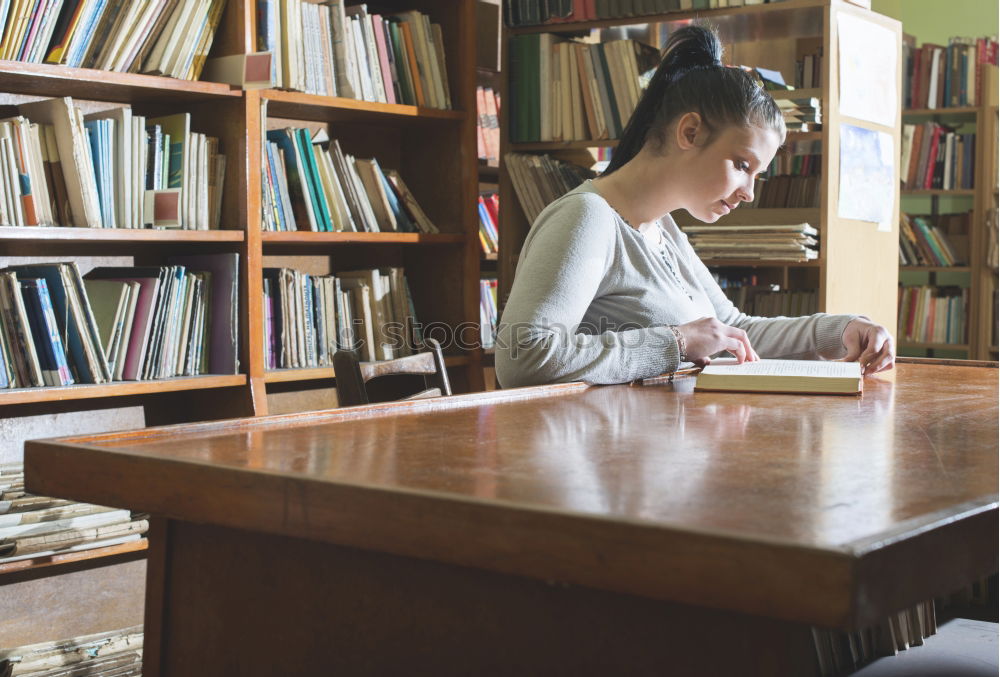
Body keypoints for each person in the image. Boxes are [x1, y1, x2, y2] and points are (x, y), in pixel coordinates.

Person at [495, 25, 894, 388]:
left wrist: (840, 330)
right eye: (742, 165)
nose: (749, 193)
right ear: (690, 132)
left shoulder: (662, 227)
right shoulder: (587, 219)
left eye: (758, 175)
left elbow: (732, 329)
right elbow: (522, 355)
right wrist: (678, 342)